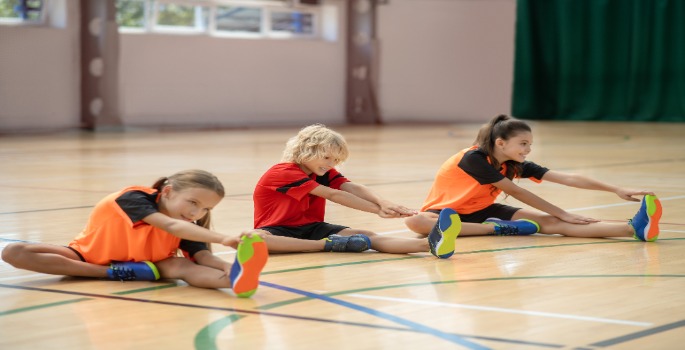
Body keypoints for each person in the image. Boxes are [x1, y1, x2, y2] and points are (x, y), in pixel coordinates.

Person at [250, 123, 526, 259]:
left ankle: (429, 244)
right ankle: (326, 246)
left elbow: (350, 186)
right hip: (278, 230)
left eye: (335, 161)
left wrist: (383, 203)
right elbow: (334, 195)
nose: (331, 165)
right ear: (308, 151)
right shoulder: (283, 171)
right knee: (254, 239)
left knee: (369, 236)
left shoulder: (319, 171)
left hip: (311, 225)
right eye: (327, 158)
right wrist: (376, 210)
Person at [1, 169, 269, 298]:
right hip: (88, 256)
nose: (197, 213)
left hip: (153, 265)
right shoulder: (134, 198)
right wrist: (225, 239)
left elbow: (202, 256)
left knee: (184, 266)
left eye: (205, 209)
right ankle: (111, 273)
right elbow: (170, 226)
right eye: (193, 203)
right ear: (167, 192)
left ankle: (233, 282)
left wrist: (232, 266)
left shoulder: (189, 222)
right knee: (14, 251)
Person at [404, 114, 662, 243]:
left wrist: (616, 188)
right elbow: (516, 192)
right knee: (417, 222)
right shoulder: (472, 159)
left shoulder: (513, 163)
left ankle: (633, 229)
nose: (528, 149)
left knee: (551, 224)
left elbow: (569, 178)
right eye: (523, 143)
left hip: (485, 209)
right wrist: (563, 212)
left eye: (530, 144)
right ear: (500, 143)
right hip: (445, 212)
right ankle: (496, 229)